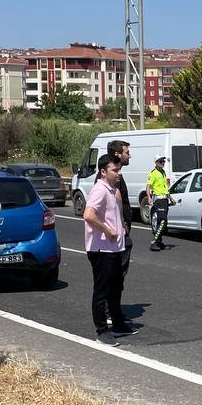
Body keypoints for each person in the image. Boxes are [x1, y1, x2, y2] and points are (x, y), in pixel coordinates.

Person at [84, 153, 128, 345]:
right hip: (101, 249)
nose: (118, 173)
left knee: (116, 287)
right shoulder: (100, 190)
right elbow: (88, 215)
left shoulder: (111, 190)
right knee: (102, 290)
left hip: (114, 248)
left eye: (119, 170)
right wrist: (108, 231)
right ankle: (102, 330)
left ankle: (118, 324)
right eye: (115, 170)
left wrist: (122, 225)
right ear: (103, 172)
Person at [106, 139, 134, 277]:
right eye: (127, 152)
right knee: (114, 275)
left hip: (120, 229)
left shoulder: (117, 175)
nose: (129, 155)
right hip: (116, 230)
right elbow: (113, 200)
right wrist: (121, 223)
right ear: (117, 154)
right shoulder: (111, 176)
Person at [147, 154, 171, 251]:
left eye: (163, 161)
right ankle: (154, 241)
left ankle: (159, 241)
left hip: (164, 199)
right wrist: (149, 197)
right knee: (162, 221)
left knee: (162, 222)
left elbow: (165, 187)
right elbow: (148, 187)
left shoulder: (163, 172)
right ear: (156, 163)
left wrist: (170, 198)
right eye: (160, 161)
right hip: (158, 200)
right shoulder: (153, 173)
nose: (163, 163)